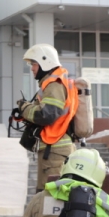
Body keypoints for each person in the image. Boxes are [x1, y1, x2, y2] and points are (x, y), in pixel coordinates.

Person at [17, 43, 78, 192]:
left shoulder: (54, 84)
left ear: (45, 62)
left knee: (49, 198)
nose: (32, 68)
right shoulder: (53, 83)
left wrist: (24, 108)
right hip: (55, 149)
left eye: (34, 64)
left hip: (55, 151)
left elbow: (46, 115)